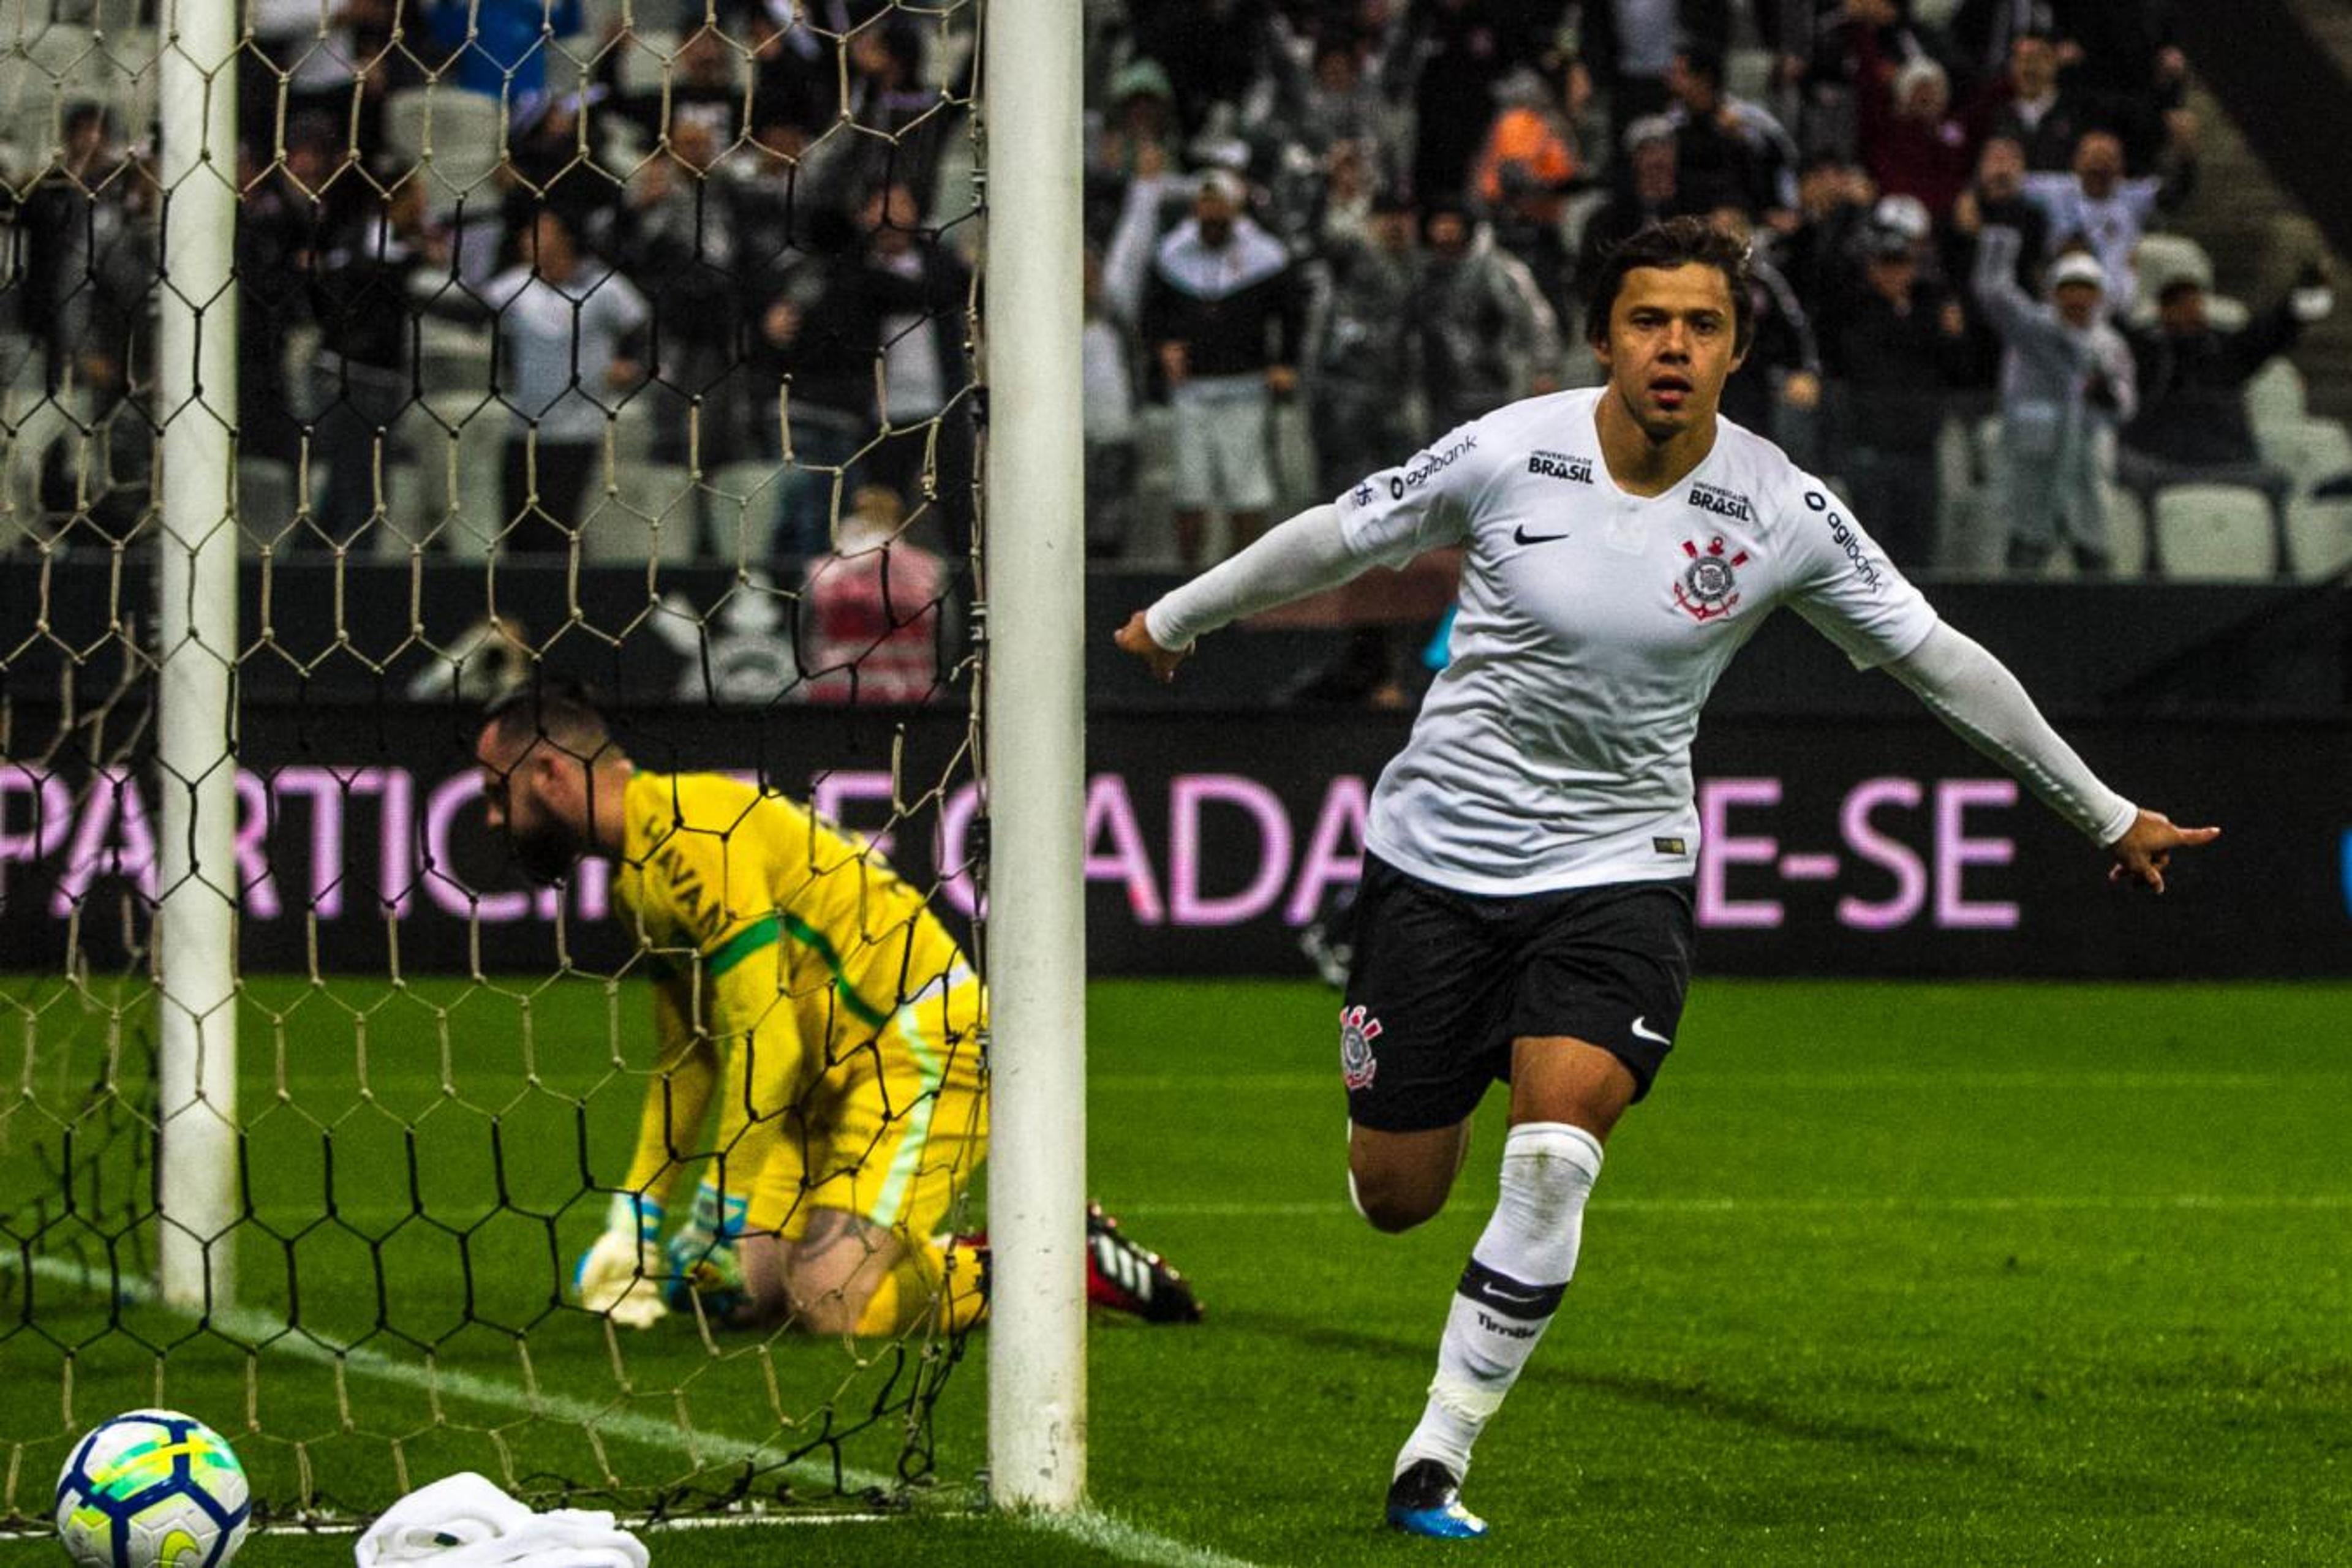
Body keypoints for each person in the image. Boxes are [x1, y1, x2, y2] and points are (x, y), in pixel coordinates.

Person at [1115, 216, 2217, 1537]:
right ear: (1603, 337)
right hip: (1437, 863)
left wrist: (2102, 811)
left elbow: (1943, 661)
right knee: (1395, 1196)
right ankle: (1429, 1084)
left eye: (1702, 324)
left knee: (1554, 1162)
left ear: (1738, 347)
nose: (1674, 346)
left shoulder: (1784, 509)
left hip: (1617, 871)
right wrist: (1180, 615)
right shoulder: (1508, 448)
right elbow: (1342, 535)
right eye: (1649, 320)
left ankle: (1436, 1455)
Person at [472, 685, 1204, 1335]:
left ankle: (1051, 1259)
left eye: (496, 789)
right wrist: (637, 1219)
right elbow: (689, 1059)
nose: (491, 816)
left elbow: (769, 1041)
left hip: (916, 1047)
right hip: (816, 1088)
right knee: (737, 1300)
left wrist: (718, 1207)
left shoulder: (693, 833)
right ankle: (918, 1252)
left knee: (829, 1304)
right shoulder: (638, 881)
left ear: (552, 775)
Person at [2116, 266, 2335, 576]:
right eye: (2184, 306)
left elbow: (2275, 329)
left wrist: (2308, 294)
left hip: (2228, 461)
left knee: (2280, 482)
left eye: (2197, 305)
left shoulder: (2225, 350)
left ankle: (2283, 574)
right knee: (2119, 467)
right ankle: (2149, 571)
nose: (2195, 313)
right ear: (2165, 311)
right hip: (2159, 462)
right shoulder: (2144, 351)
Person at [1972, 230, 2135, 574]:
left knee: (2095, 563)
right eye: (2069, 289)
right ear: (2054, 292)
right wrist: (2001, 242)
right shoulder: (2034, 330)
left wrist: (2105, 395)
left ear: (2099, 296)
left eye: (2086, 291)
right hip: (2036, 466)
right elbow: (1992, 293)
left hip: (2086, 470)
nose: (2078, 299)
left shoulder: (2110, 345)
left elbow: (2126, 403)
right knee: (2025, 563)